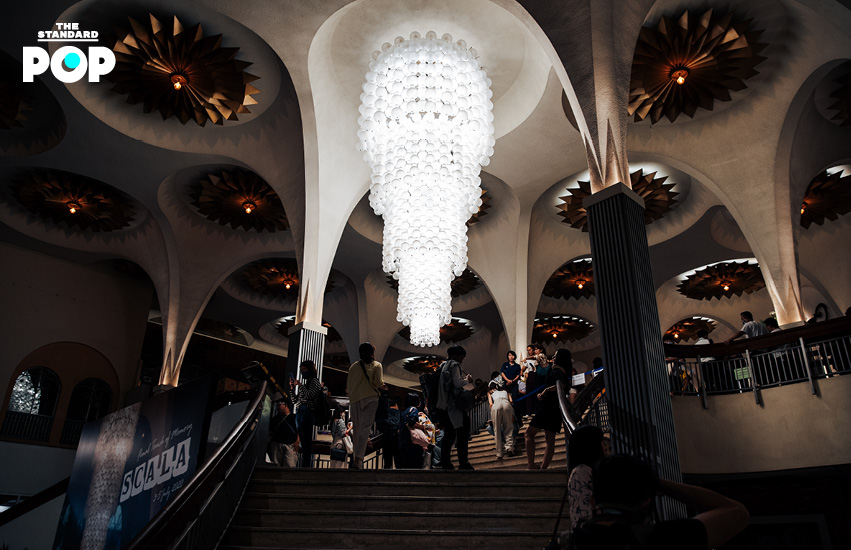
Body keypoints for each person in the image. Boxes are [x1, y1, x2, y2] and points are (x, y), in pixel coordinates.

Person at [567, 455, 749, 550]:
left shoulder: (565, 544)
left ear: (592, 501)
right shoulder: (664, 540)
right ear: (646, 503)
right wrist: (657, 483)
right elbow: (736, 511)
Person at [525, 348, 571, 470]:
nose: (553, 357)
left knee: (529, 434)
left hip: (549, 408)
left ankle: (531, 465)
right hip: (554, 408)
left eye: (555, 355)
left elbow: (561, 385)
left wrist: (546, 391)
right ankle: (542, 469)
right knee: (550, 440)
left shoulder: (556, 370)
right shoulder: (562, 371)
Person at [346, 342, 386, 469]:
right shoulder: (377, 365)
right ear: (372, 353)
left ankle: (355, 459)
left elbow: (348, 386)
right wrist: (383, 387)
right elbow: (378, 382)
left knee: (357, 429)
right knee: (365, 428)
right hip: (370, 398)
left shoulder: (354, 367)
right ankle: (359, 459)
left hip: (355, 399)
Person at [436, 345, 474, 470]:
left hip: (444, 405)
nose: (462, 360)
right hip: (454, 405)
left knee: (449, 435)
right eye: (462, 357)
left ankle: (446, 463)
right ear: (457, 356)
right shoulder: (454, 365)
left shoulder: (442, 365)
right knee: (463, 433)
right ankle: (463, 463)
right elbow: (457, 383)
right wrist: (467, 380)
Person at [567, 425, 609, 531]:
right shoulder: (581, 472)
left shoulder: (590, 470)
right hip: (591, 532)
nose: (604, 446)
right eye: (601, 442)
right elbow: (584, 511)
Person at [290, 360, 322, 468]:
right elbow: (295, 401)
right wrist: (292, 389)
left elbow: (309, 395)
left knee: (306, 440)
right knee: (303, 440)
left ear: (310, 369)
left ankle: (306, 465)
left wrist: (300, 385)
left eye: (304, 370)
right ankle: (305, 463)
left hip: (307, 411)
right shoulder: (306, 384)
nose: (302, 372)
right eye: (301, 370)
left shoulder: (314, 382)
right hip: (300, 411)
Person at [268, 396, 298, 468]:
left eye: (279, 404)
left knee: (289, 465)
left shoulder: (294, 417)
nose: (278, 407)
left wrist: (297, 441)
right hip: (277, 443)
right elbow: (270, 431)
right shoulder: (275, 418)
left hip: (289, 444)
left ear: (285, 405)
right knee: (276, 466)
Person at [487, 380, 515, 459]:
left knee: (497, 430)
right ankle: (509, 448)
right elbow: (511, 401)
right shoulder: (505, 390)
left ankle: (499, 453)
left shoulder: (490, 392)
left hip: (496, 404)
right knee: (508, 427)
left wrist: (493, 415)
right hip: (506, 404)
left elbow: (491, 404)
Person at [376, 395, 401, 469]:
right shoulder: (399, 413)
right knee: (398, 461)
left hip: (386, 439)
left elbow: (379, 427)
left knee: (387, 462)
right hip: (397, 440)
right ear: (396, 405)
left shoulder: (385, 414)